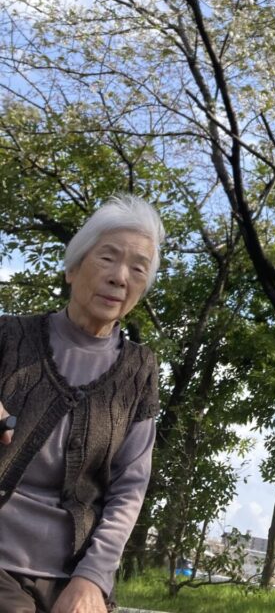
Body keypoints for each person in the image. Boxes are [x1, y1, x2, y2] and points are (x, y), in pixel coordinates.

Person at [0, 195, 164, 613]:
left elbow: (129, 487)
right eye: (107, 258)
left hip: (72, 574)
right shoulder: (9, 337)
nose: (119, 277)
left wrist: (92, 577)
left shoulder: (140, 371)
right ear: (73, 268)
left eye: (138, 268)